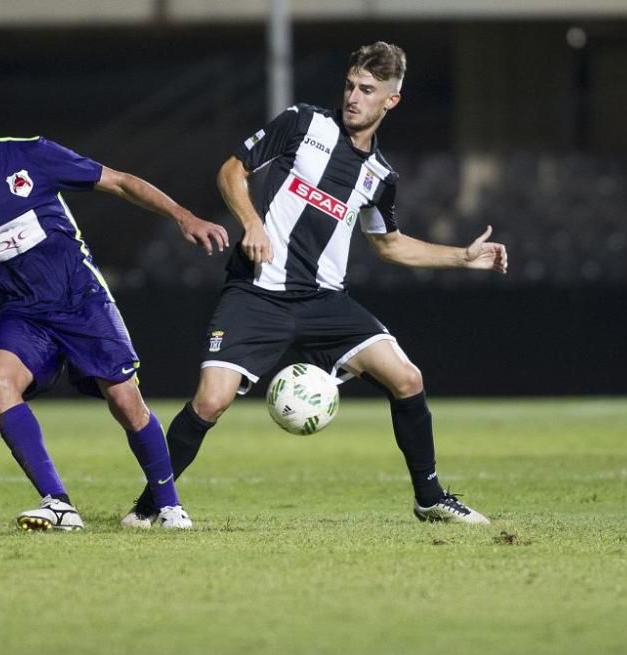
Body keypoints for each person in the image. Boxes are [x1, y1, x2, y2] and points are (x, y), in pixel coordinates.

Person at [123, 42, 507, 528]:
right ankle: (147, 507)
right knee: (210, 400)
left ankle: (430, 499)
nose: (353, 97)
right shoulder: (303, 123)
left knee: (407, 378)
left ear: (391, 101)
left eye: (367, 90)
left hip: (325, 302)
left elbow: (388, 245)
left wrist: (462, 257)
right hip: (257, 292)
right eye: (350, 85)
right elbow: (230, 171)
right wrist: (252, 222)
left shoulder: (380, 175)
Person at [0, 78, 228, 531]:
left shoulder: (32, 154)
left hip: (82, 300)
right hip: (24, 314)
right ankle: (58, 503)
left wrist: (183, 215)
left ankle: (168, 505)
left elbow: (120, 183)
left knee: (124, 400)